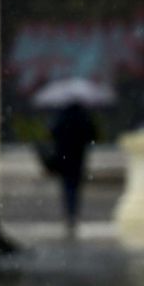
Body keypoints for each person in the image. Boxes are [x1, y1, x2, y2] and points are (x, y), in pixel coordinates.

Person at [48, 101, 97, 236]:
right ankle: (73, 213)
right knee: (75, 186)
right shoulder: (82, 118)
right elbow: (92, 135)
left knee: (67, 186)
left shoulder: (62, 118)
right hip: (78, 158)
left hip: (64, 158)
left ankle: (69, 213)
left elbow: (52, 133)